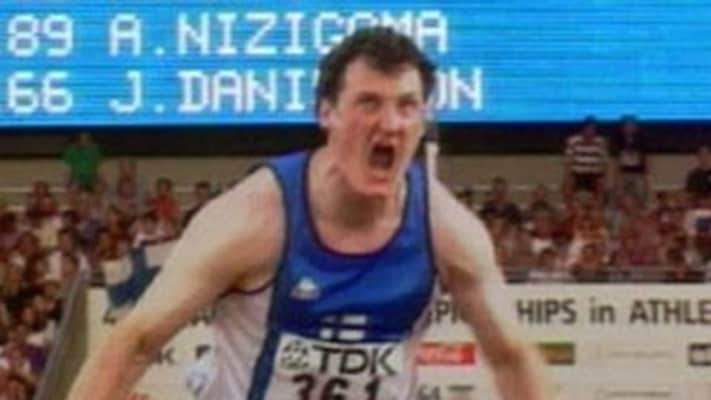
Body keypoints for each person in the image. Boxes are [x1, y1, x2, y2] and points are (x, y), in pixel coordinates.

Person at [68, 27, 550, 400]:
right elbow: (135, 342)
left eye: (407, 106)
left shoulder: (447, 229)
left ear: (423, 121)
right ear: (326, 113)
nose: (390, 123)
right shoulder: (252, 217)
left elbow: (512, 356)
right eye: (369, 103)